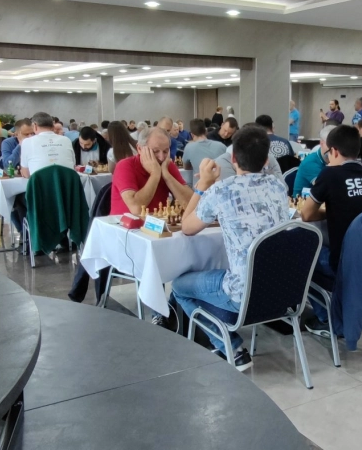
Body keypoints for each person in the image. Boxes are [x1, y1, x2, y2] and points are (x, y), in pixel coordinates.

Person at [173, 126, 292, 371]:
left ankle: (232, 347)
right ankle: (227, 334)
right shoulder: (279, 187)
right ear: (267, 160)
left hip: (242, 293)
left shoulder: (221, 190)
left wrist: (203, 184)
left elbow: (187, 226)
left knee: (178, 287)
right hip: (283, 289)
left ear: (233, 158)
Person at [300, 126, 362, 335]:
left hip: (345, 266)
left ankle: (327, 318)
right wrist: (337, 210)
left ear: (334, 151)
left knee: (302, 255)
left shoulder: (330, 174)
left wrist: (332, 211)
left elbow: (306, 214)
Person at [111, 127, 193, 216]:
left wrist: (166, 175)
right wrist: (155, 174)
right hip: (124, 223)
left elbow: (191, 204)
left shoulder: (167, 165)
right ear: (139, 149)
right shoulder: (124, 166)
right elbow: (136, 209)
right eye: (155, 151)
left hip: (158, 221)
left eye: (165, 151)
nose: (161, 157)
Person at [19, 112, 75, 178]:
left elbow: (26, 174)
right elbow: (73, 167)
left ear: (35, 126)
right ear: (53, 126)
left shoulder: (27, 142)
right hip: (67, 182)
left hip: (40, 183)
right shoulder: (67, 140)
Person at [182, 118, 227, 187]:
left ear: (192, 135)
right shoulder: (222, 146)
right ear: (206, 131)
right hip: (220, 186)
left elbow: (186, 167)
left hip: (200, 188)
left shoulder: (189, 147)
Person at [293, 125, 333, 196]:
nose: (334, 149)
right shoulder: (310, 163)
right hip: (303, 201)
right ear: (321, 143)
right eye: (330, 145)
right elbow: (326, 188)